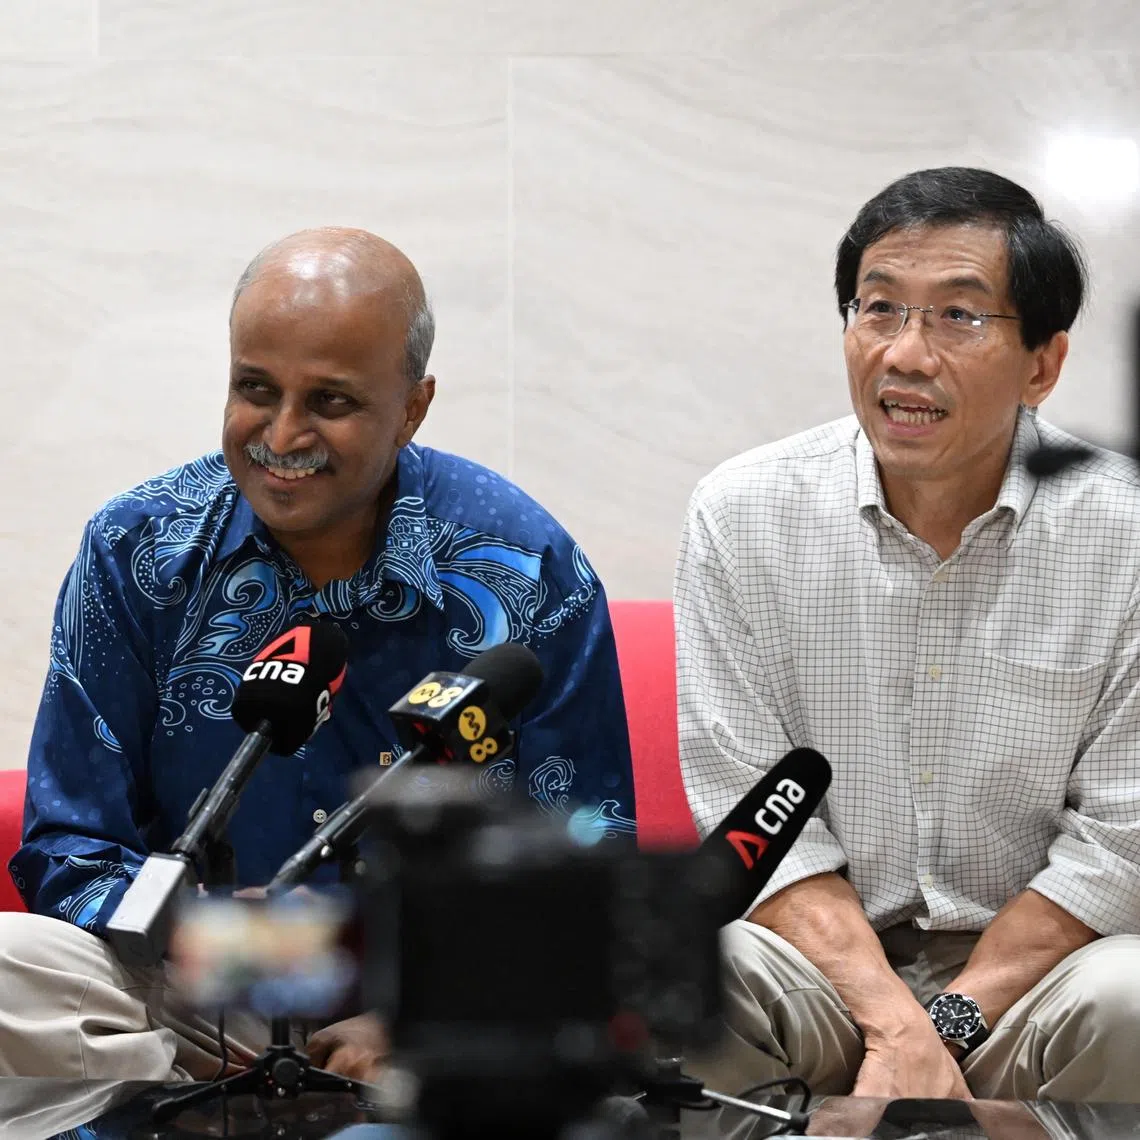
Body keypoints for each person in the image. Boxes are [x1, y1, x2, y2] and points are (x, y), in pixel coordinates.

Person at [0, 227, 636, 1082]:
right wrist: (220, 946)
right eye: (256, 389)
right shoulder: (137, 550)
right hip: (200, 994)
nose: (283, 434)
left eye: (330, 401)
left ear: (412, 408)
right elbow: (72, 844)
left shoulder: (525, 569)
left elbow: (593, 852)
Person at [675, 167, 1140, 1103]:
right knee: (696, 978)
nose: (905, 355)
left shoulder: (1124, 531)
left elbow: (1121, 841)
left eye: (958, 316)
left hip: (1036, 981)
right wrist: (891, 1022)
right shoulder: (743, 514)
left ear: (1043, 364)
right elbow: (754, 821)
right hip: (817, 966)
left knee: (1132, 996)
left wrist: (943, 1027)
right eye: (879, 308)